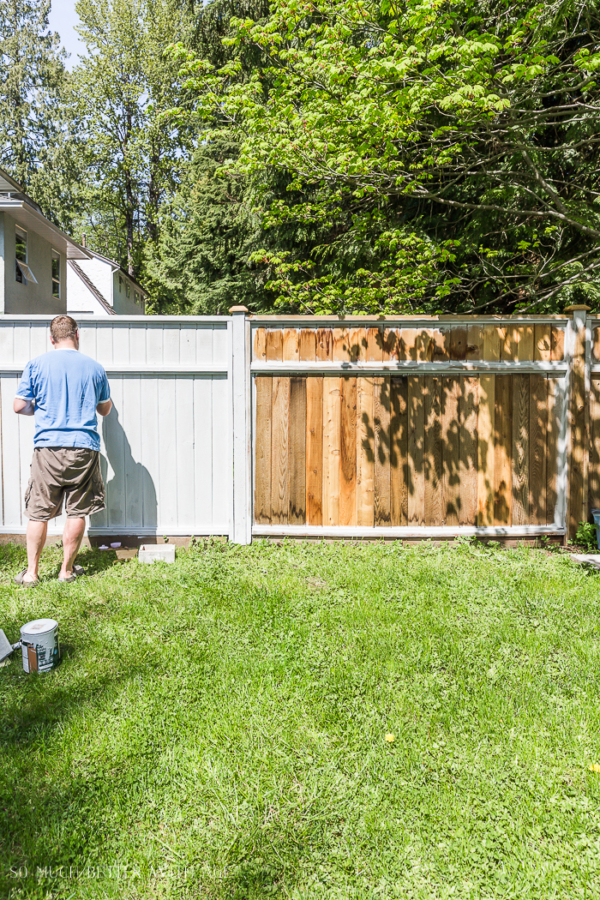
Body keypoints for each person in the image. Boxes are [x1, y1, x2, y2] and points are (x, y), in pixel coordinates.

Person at [13, 315, 112, 586]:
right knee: (77, 511)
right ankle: (66, 571)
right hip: (83, 447)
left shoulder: (36, 364)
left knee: (38, 512)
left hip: (47, 448)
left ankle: (32, 573)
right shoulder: (95, 368)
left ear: (51, 338)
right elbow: (104, 408)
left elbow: (19, 406)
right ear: (77, 335)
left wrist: (43, 409)